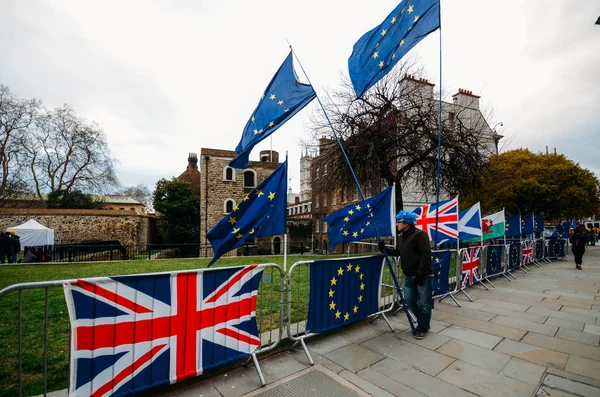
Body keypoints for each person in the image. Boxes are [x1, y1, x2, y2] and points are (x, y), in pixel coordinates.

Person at [378, 210, 433, 339]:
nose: (397, 224)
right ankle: (423, 322)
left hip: (423, 276)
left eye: (399, 222)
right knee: (408, 300)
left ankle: (422, 327)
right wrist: (384, 249)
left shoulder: (420, 235)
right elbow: (399, 252)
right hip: (409, 276)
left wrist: (420, 273)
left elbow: (426, 255)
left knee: (425, 303)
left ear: (407, 223)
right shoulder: (402, 237)